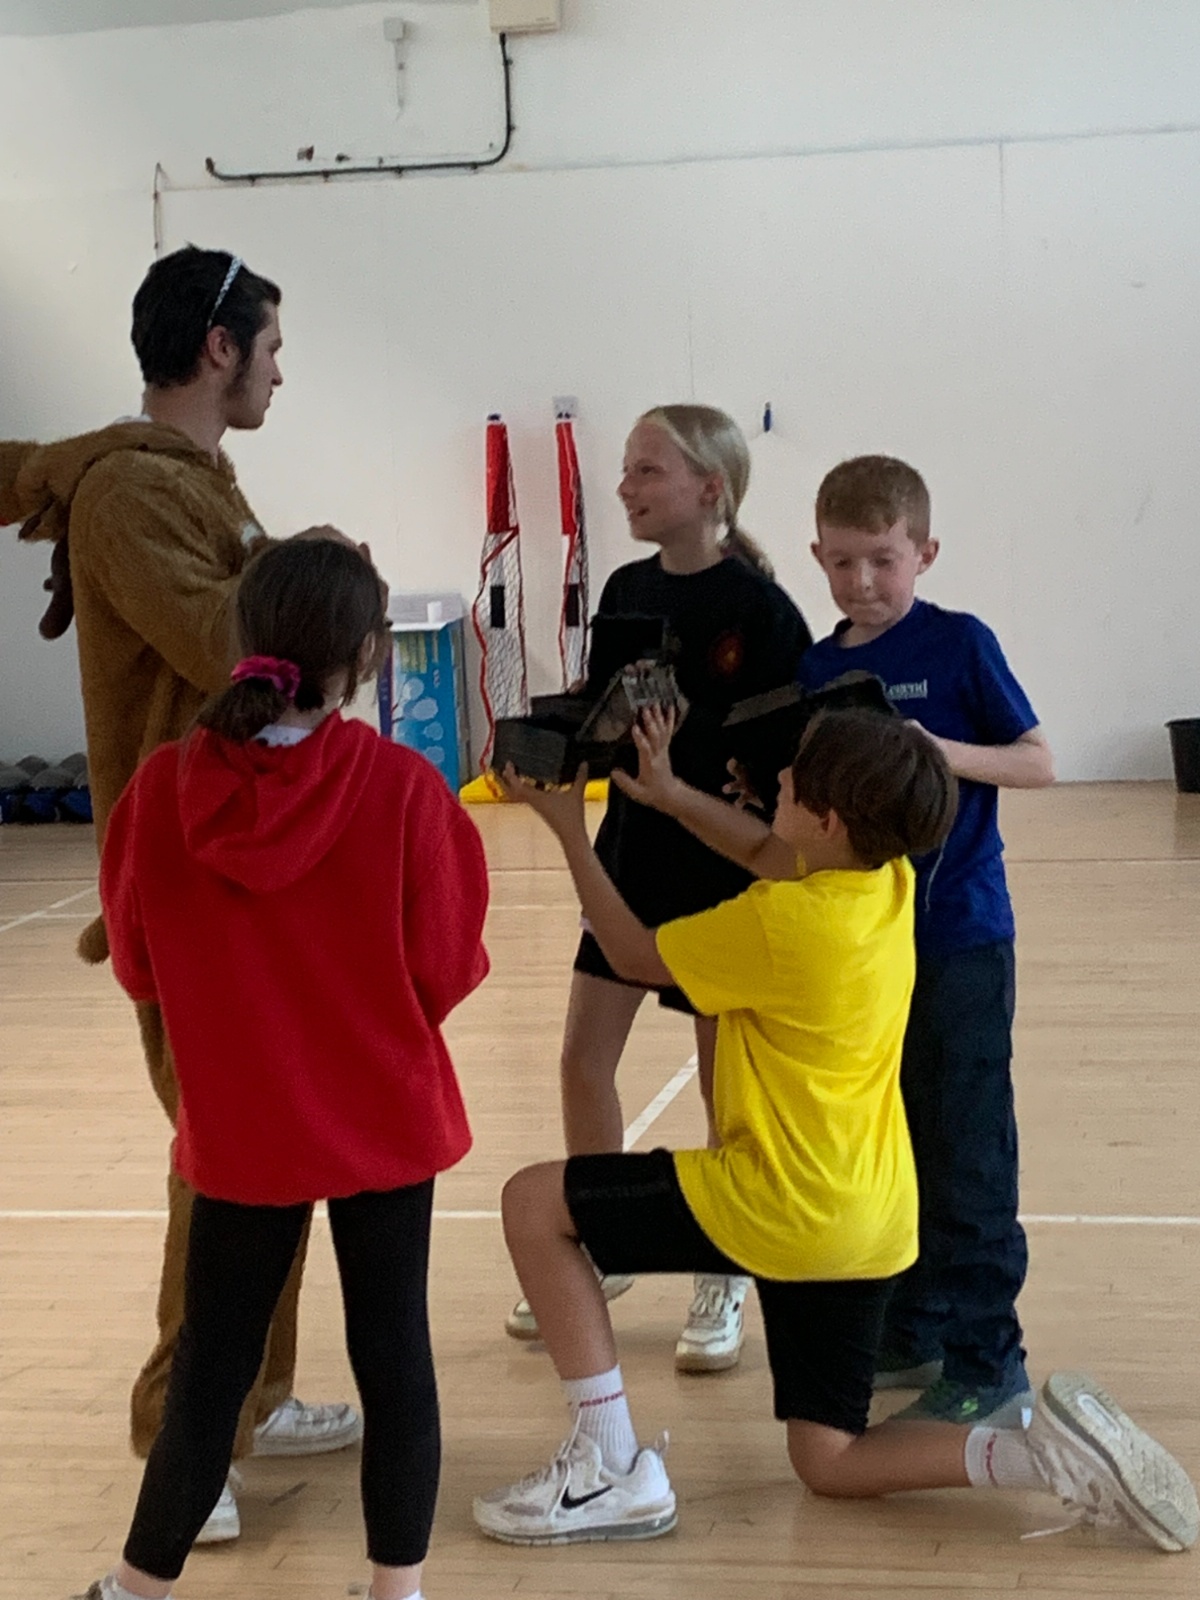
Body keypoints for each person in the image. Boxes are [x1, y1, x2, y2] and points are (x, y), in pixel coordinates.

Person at [476, 707, 1197, 1556]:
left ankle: (603, 1465)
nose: (778, 779)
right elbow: (763, 850)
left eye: (795, 780)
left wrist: (570, 832)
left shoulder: (784, 925)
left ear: (828, 822)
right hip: (868, 1219)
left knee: (533, 1205)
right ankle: (1041, 1457)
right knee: (828, 1459)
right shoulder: (886, 883)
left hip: (781, 1204)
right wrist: (669, 794)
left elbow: (632, 953)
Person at [0, 246, 359, 1540]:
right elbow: (230, 646)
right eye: (272, 346)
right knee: (224, 1159)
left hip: (245, 863)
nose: (280, 371)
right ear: (219, 347)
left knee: (278, 1143)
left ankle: (251, 1394)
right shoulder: (131, 496)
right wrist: (332, 597)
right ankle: (179, 1433)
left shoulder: (189, 477)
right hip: (186, 877)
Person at [89, 536, 490, 1600]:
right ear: (365, 656)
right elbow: (447, 966)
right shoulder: (406, 790)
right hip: (386, 1115)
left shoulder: (161, 791)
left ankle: (136, 1587)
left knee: (211, 1367)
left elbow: (136, 965)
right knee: (394, 1355)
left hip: (242, 1127)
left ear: (242, 637)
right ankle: (397, 1589)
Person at [505, 403, 812, 1373]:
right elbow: (606, 718)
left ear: (709, 489)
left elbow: (786, 754)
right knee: (581, 1059)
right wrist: (548, 745)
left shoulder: (763, 611)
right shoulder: (627, 588)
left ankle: (726, 1268)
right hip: (630, 859)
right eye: (629, 470)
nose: (625, 487)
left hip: (720, 867)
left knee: (727, 1087)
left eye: (648, 471)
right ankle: (598, 1245)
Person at [799, 456, 1054, 1426]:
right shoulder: (818, 671)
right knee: (894, 1138)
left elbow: (1037, 762)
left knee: (967, 1151)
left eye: (882, 559)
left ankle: (990, 1358)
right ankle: (915, 1324)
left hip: (961, 940)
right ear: (816, 556)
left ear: (925, 553)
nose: (861, 581)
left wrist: (936, 753)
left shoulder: (959, 644)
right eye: (842, 562)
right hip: (866, 954)